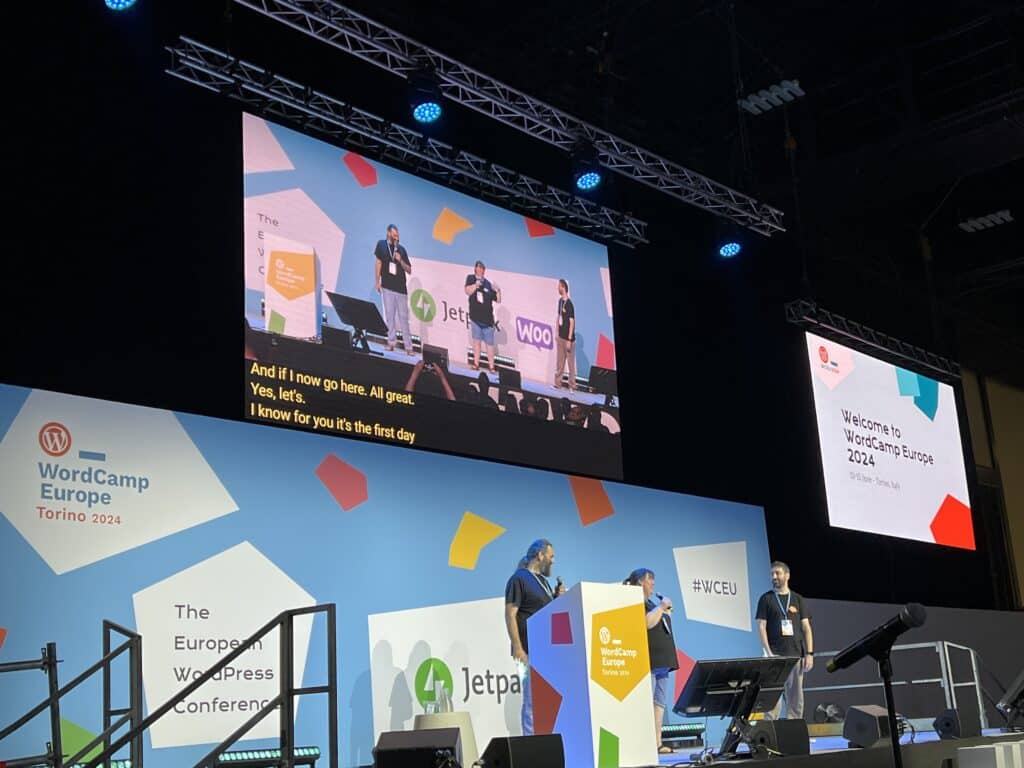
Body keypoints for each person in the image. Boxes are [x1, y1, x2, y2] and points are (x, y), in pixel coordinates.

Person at [505, 539, 565, 735]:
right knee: (532, 703)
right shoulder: (519, 579)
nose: (553, 561)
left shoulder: (544, 582)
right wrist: (518, 647)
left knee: (546, 703)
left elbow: (543, 613)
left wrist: (556, 598)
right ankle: (531, 747)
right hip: (529, 650)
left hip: (546, 651)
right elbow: (511, 614)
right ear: (540, 555)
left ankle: (546, 746)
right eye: (551, 556)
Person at [624, 568, 679, 754]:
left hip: (663, 660)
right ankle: (644, 743)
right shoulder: (633, 601)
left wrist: (664, 611)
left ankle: (657, 742)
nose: (653, 583)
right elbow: (645, 623)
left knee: (660, 703)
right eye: (650, 580)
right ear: (640, 581)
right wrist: (662, 608)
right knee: (646, 702)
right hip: (647, 660)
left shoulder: (650, 603)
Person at [755, 561, 813, 720]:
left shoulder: (797, 599)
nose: (774, 577)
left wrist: (809, 653)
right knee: (771, 698)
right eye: (772, 574)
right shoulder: (766, 599)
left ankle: (794, 731)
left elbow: (806, 628)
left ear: (787, 575)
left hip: (795, 656)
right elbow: (761, 627)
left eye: (777, 573)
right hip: (774, 657)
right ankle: (770, 732)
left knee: (795, 699)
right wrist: (768, 653)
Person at [374, 224, 414, 354]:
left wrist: (400, 260)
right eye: (394, 235)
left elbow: (409, 270)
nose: (397, 237)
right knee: (390, 317)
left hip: (401, 289)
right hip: (387, 287)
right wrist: (377, 281)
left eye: (398, 235)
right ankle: (391, 342)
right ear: (388, 233)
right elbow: (378, 263)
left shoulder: (401, 250)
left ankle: (409, 347)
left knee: (404, 319)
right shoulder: (381, 245)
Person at [464, 260, 501, 372]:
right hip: (476, 318)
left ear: (484, 270)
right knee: (476, 342)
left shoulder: (488, 284)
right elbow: (467, 291)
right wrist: (476, 285)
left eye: (482, 268)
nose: (480, 270)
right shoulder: (471, 278)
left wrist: (498, 291)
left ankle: (491, 367)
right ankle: (476, 364)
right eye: (478, 267)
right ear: (475, 268)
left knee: (489, 345)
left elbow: (498, 300)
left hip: (488, 320)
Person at [554, 279, 576, 390]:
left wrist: (569, 339)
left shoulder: (570, 304)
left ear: (563, 287)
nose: (557, 288)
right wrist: (557, 333)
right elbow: (558, 317)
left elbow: (572, 322)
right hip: (560, 337)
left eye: (559, 286)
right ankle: (557, 384)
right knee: (560, 362)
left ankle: (572, 385)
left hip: (568, 339)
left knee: (570, 364)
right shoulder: (560, 301)